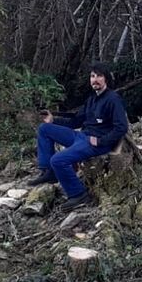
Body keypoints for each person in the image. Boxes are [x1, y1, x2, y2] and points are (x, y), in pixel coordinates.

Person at [25, 62, 129, 210]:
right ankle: (49, 172)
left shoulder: (113, 99)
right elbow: (76, 121)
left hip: (95, 143)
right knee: (44, 128)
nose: (95, 79)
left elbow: (122, 127)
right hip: (81, 136)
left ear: (106, 79)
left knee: (58, 159)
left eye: (99, 76)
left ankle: (78, 195)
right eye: (92, 76)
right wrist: (53, 120)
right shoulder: (92, 98)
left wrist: (101, 141)